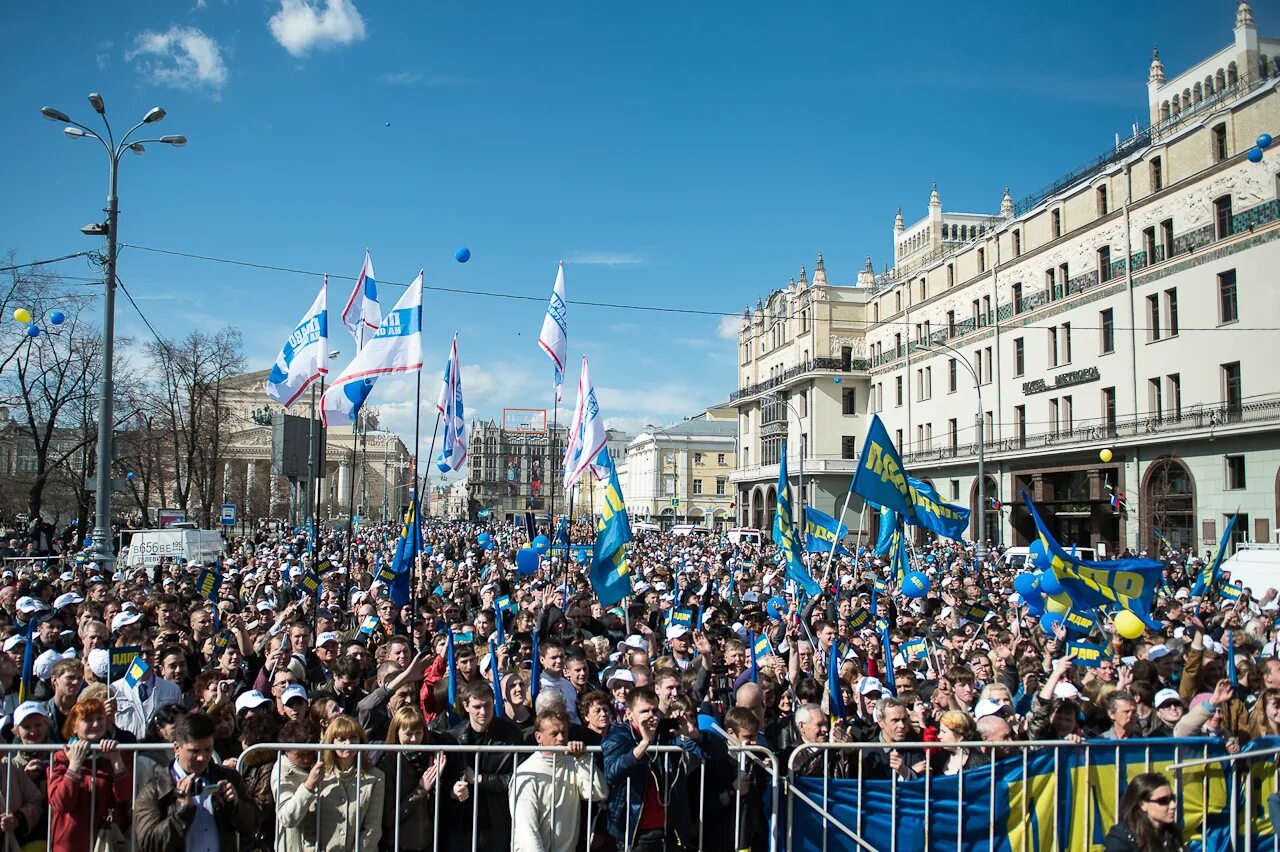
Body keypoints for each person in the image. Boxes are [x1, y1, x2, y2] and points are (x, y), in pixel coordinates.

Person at [134, 711, 260, 852]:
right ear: (177, 748)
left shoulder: (229, 778)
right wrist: (180, 813)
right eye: (194, 751)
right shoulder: (154, 790)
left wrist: (236, 805)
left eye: (208, 749)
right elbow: (149, 844)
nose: (203, 757)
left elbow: (253, 826)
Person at [602, 685, 705, 851]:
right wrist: (644, 743)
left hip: (669, 829)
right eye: (644, 711)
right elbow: (612, 772)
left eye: (655, 710)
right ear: (628, 714)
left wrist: (694, 735)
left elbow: (715, 751)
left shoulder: (666, 732)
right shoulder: (618, 734)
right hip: (634, 829)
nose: (651, 716)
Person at [442, 678, 524, 852]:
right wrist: (452, 790)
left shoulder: (511, 734)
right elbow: (442, 779)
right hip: (462, 822)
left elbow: (517, 778)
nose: (483, 712)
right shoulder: (452, 738)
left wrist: (480, 779)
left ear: (494, 703)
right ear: (466, 706)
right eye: (477, 707)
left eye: (487, 705)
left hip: (497, 820)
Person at [509, 708, 606, 852]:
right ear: (538, 737)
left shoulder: (573, 762)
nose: (561, 738)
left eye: (564, 732)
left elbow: (599, 793)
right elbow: (526, 829)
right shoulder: (526, 772)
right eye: (554, 734)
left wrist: (583, 759)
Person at [285, 714, 385, 852]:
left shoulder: (376, 777)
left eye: (353, 738)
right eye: (341, 739)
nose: (348, 744)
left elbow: (372, 829)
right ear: (331, 742)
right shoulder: (316, 773)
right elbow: (308, 824)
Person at [48, 698, 133, 852]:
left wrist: (116, 761)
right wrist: (74, 765)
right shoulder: (61, 757)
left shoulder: (117, 753)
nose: (95, 724)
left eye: (100, 718)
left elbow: (126, 796)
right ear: (74, 726)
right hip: (70, 842)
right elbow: (61, 803)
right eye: (87, 720)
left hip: (107, 842)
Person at [375, 707, 445, 852]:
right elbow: (388, 817)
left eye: (418, 733)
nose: (414, 739)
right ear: (396, 733)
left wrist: (438, 780)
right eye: (408, 734)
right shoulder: (386, 765)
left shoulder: (428, 757)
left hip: (427, 841)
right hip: (398, 844)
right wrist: (421, 790)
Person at [1103, 772, 1183, 851]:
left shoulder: (1172, 833)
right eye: (1163, 801)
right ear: (1142, 804)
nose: (1173, 805)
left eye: (1172, 798)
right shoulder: (1121, 837)